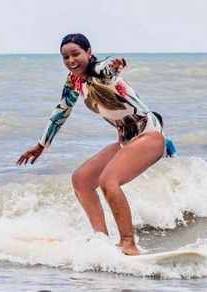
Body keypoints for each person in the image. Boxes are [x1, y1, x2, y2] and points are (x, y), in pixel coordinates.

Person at [17, 33, 166, 256]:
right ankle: (101, 240)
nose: (70, 60)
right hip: (125, 139)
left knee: (108, 180)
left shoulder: (101, 70)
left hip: (149, 134)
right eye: (65, 57)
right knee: (82, 179)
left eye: (75, 54)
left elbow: (109, 68)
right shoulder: (73, 81)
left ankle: (128, 243)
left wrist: (117, 64)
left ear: (88, 52)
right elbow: (60, 113)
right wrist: (41, 145)